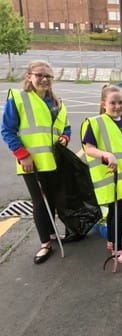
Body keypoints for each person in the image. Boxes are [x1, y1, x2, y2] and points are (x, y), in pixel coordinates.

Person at [1, 60, 71, 264]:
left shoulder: (57, 102)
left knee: (51, 200)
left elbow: (66, 127)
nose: (44, 79)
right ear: (29, 76)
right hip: (31, 163)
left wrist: (65, 138)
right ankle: (44, 244)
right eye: (39, 75)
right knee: (40, 203)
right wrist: (22, 155)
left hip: (53, 161)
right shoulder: (19, 98)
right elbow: (7, 130)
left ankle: (51, 234)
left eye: (48, 76)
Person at [81, 85, 122, 265]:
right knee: (119, 211)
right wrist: (106, 155)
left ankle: (113, 242)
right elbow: (88, 148)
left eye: (120, 102)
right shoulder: (95, 122)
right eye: (113, 103)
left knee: (117, 212)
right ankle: (117, 249)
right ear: (103, 104)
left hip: (120, 178)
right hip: (107, 177)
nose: (117, 106)